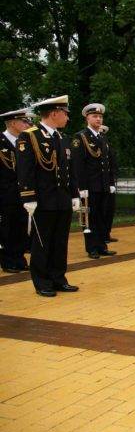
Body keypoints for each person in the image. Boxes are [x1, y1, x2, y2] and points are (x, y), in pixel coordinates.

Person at [16, 95, 80, 296]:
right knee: (42, 243)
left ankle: (58, 278)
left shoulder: (62, 138)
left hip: (62, 198)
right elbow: (25, 170)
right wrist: (28, 197)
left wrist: (74, 194)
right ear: (54, 113)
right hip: (43, 199)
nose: (67, 118)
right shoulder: (30, 136)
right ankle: (42, 282)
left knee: (60, 242)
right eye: (65, 114)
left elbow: (69, 169)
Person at [71, 103, 117, 259]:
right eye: (95, 116)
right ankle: (92, 248)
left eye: (100, 116)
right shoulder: (81, 137)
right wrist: (81, 187)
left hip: (103, 185)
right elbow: (78, 165)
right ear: (87, 118)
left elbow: (107, 163)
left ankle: (102, 246)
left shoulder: (102, 137)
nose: (98, 119)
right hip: (90, 186)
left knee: (102, 217)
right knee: (90, 218)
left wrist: (110, 183)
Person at [0, 108, 33, 273]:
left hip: (22, 192)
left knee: (21, 227)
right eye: (23, 121)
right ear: (13, 123)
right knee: (7, 228)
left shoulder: (24, 141)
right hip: (5, 194)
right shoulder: (1, 141)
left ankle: (19, 259)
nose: (27, 124)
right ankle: (8, 261)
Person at [99, 125, 119, 242]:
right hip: (98, 183)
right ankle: (101, 235)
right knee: (101, 211)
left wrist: (112, 182)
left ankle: (106, 233)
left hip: (109, 182)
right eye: (100, 132)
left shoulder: (108, 147)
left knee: (110, 209)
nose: (101, 135)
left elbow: (112, 165)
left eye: (103, 133)